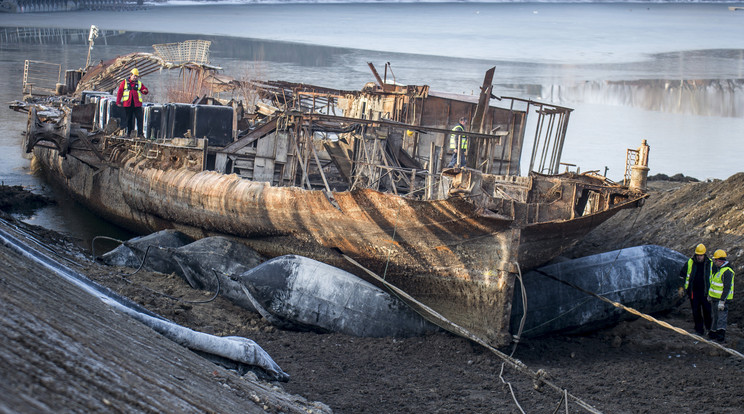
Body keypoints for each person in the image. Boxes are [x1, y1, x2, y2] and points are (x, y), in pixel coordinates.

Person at [679, 243, 712, 336]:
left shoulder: (710, 264)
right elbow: (682, 275)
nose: (699, 257)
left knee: (707, 312)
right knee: (696, 312)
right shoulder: (690, 262)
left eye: (701, 255)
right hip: (694, 292)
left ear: (704, 254)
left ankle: (709, 329)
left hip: (706, 292)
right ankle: (699, 330)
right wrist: (682, 287)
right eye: (697, 255)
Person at [708, 249, 735, 342]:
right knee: (715, 317)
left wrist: (722, 301)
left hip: (722, 300)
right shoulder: (720, 270)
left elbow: (727, 288)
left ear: (720, 260)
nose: (714, 262)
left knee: (721, 318)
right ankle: (713, 333)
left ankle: (720, 337)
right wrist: (710, 295)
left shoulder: (727, 271)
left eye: (715, 260)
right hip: (715, 299)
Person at [116, 68, 149, 138]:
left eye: (136, 76)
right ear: (130, 75)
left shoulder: (139, 83)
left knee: (140, 119)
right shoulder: (124, 82)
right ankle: (129, 133)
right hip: (128, 104)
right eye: (134, 76)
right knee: (128, 119)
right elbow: (120, 92)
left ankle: (140, 134)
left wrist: (145, 91)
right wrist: (118, 102)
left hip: (137, 104)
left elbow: (144, 90)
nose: (135, 77)